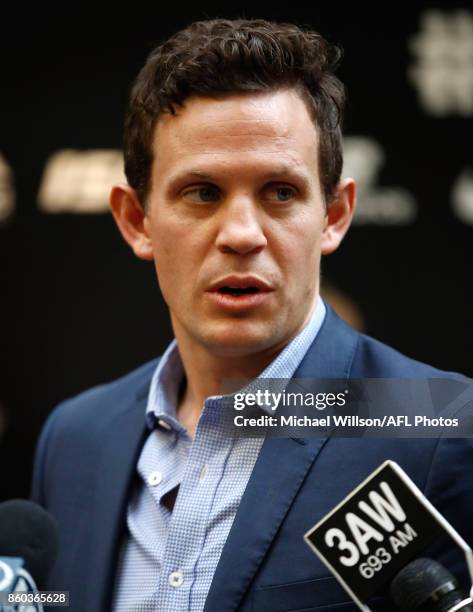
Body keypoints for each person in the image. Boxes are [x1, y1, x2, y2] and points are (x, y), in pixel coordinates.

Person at [31, 18, 473, 612]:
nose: (241, 234)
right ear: (137, 221)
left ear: (335, 215)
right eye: (203, 193)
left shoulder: (446, 424)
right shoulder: (75, 437)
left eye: (280, 192)